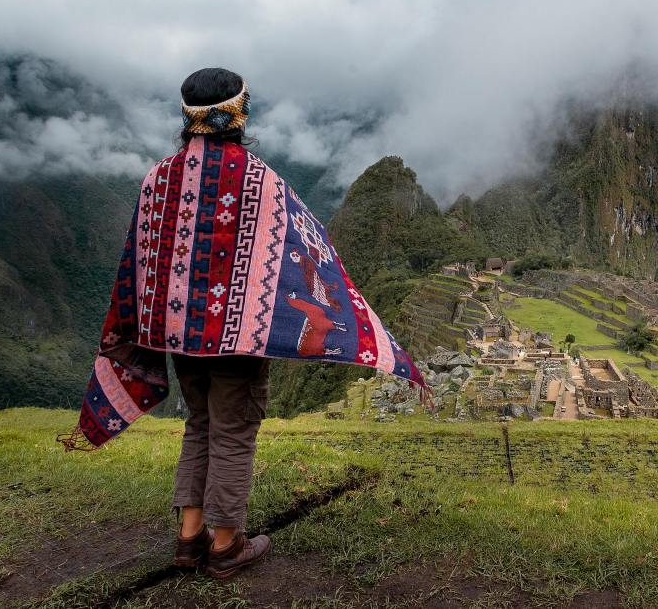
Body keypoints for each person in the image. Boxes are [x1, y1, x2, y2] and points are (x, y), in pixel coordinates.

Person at [60, 68, 429, 579]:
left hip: (177, 335)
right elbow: (307, 259)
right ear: (240, 114)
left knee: (200, 424)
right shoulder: (260, 182)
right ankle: (226, 547)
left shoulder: (157, 179)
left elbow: (142, 264)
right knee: (233, 433)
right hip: (237, 341)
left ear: (187, 118)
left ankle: (189, 539)